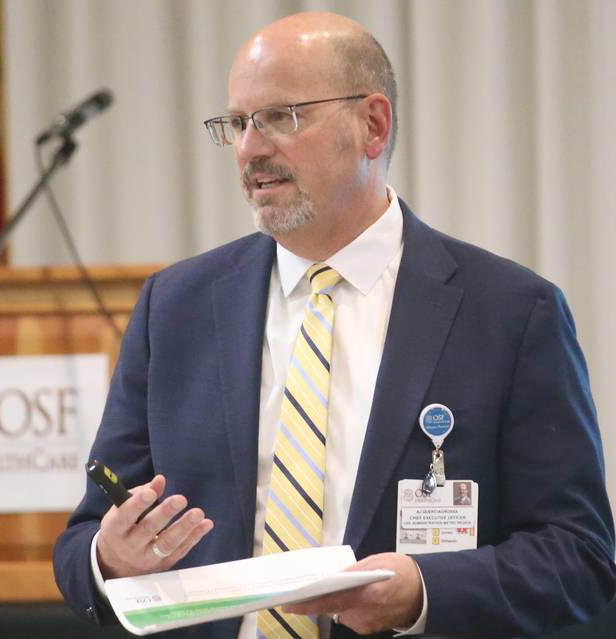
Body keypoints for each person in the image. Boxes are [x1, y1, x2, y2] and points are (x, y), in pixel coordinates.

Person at [53, 11, 616, 639]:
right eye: (237, 123)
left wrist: (424, 593)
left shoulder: (510, 312)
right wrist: (110, 559)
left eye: (280, 118)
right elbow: (82, 544)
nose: (250, 148)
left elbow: (579, 556)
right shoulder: (175, 306)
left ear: (372, 125)